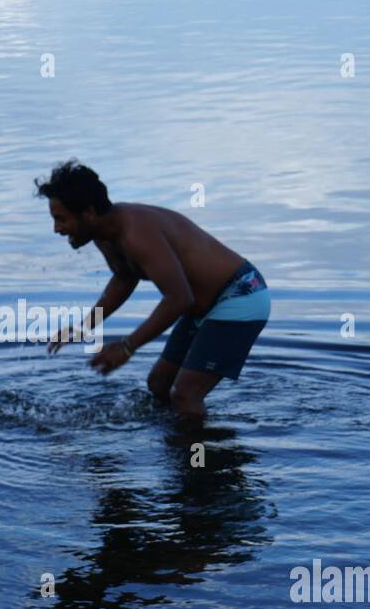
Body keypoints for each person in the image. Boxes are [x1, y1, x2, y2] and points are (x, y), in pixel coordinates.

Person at [37, 159, 270, 419]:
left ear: (88, 212)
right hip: (205, 307)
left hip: (240, 295)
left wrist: (127, 347)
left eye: (61, 219)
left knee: (185, 395)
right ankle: (178, 438)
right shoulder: (104, 233)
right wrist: (84, 327)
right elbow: (124, 277)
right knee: (159, 384)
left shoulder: (136, 234)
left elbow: (179, 298)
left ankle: (201, 445)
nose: (56, 229)